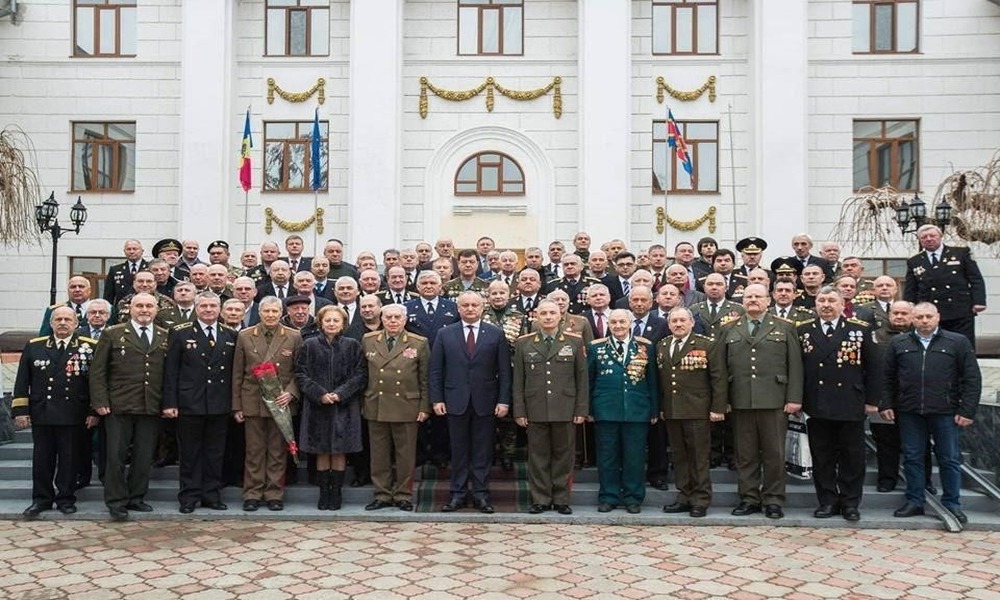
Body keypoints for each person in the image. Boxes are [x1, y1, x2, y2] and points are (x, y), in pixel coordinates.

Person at [882, 302, 981, 525]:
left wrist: (967, 409)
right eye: (919, 317)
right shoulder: (899, 342)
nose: (924, 321)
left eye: (928, 316)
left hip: (946, 411)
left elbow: (972, 378)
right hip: (910, 410)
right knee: (913, 457)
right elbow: (888, 377)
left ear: (938, 317)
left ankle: (952, 503)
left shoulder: (957, 342)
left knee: (949, 459)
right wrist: (886, 404)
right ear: (912, 320)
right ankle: (915, 500)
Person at [797, 287, 881, 522]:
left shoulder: (859, 330)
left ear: (842, 304)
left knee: (852, 457)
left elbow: (874, 368)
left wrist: (873, 401)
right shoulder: (803, 331)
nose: (826, 304)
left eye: (831, 300)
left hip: (850, 403)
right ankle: (827, 501)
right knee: (822, 457)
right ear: (815, 304)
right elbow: (797, 369)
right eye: (821, 300)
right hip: (816, 402)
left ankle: (850, 502)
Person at [719, 284, 802, 520]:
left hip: (775, 400)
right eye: (748, 296)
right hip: (741, 400)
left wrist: (794, 398)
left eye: (758, 296)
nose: (752, 300)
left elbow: (795, 365)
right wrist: (723, 399)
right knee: (745, 454)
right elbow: (721, 368)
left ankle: (774, 500)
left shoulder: (785, 327)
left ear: (769, 300)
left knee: (774, 454)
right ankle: (749, 498)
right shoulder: (729, 328)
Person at [429, 291, 512, 514]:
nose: (470, 309)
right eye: (465, 305)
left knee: (482, 452)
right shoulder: (445, 334)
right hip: (455, 401)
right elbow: (436, 370)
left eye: (475, 305)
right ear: (458, 308)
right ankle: (457, 495)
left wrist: (504, 400)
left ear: (482, 307)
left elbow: (504, 371)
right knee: (458, 451)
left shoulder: (495, 334)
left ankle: (481, 495)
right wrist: (436, 398)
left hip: (486, 401)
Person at [89, 292, 169, 521]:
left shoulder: (164, 335)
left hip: (150, 404)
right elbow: (98, 372)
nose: (144, 310)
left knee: (144, 457)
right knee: (115, 456)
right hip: (118, 406)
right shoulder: (113, 334)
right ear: (130, 309)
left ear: (156, 310)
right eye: (140, 306)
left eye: (149, 306)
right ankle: (116, 501)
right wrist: (100, 402)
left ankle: (136, 497)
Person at [14, 307, 97, 518]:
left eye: (67, 319)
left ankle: (66, 499)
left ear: (76, 323)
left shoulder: (90, 347)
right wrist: (21, 411)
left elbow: (96, 383)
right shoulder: (35, 346)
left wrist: (93, 411)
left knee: (69, 460)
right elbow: (22, 381)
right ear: (51, 323)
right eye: (58, 319)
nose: (62, 323)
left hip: (74, 413)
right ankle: (41, 499)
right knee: (42, 459)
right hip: (43, 412)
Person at [162, 291, 237, 514]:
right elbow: (171, 372)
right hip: (189, 403)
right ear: (196, 308)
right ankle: (189, 496)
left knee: (215, 453)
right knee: (190, 453)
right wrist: (170, 403)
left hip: (219, 403)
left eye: (213, 306)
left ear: (220, 309)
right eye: (203, 306)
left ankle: (211, 495)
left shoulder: (230, 334)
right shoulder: (180, 333)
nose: (208, 310)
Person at [513, 299, 589, 515]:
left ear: (560, 316)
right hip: (535, 408)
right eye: (543, 313)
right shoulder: (524, 343)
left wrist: (581, 410)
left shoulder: (574, 342)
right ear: (536, 316)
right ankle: (541, 499)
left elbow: (581, 379)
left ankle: (561, 499)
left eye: (552, 313)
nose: (547, 317)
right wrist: (519, 410)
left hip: (565, 408)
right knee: (538, 457)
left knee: (564, 456)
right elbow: (518, 379)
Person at [294, 305, 368, 510]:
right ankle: (323, 491)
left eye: (336, 320)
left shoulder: (352, 345)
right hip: (317, 406)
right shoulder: (309, 345)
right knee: (321, 450)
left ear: (343, 323)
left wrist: (340, 394)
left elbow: (360, 375)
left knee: (339, 449)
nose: (332, 324)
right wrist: (319, 394)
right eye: (328, 320)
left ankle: (336, 492)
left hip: (344, 406)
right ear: (320, 322)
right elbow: (300, 374)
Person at [232, 296, 302, 512]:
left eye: (274, 311)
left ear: (281, 313)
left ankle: (274, 493)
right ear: (259, 313)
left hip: (280, 402)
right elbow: (237, 373)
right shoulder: (245, 336)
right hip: (252, 400)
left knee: (277, 451)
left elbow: (299, 371)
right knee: (254, 451)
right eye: (266, 311)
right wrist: (237, 406)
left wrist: (291, 393)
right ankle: (252, 493)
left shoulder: (293, 336)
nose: (270, 315)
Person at [656, 306, 727, 518]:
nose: (678, 324)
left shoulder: (706, 344)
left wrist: (717, 408)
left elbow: (718, 378)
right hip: (672, 410)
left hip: (698, 410)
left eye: (682, 320)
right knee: (679, 456)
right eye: (674, 321)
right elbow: (662, 382)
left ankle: (701, 499)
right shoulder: (663, 345)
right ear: (668, 324)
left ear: (692, 323)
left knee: (698, 457)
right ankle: (684, 495)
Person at [588, 308, 658, 514]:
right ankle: (608, 496)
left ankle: (633, 497)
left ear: (630, 323)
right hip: (605, 410)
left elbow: (652, 380)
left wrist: (654, 409)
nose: (618, 326)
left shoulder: (645, 346)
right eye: (614, 322)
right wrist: (589, 409)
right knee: (607, 456)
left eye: (622, 322)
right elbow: (589, 381)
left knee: (634, 457)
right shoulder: (596, 348)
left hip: (637, 410)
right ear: (609, 325)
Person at [361, 304, 430, 511]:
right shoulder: (369, 340)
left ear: (405, 319)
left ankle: (403, 495)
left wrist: (424, 407)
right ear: (381, 319)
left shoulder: (419, 343)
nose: (392, 321)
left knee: (405, 455)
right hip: (377, 404)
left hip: (406, 405)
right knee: (379, 454)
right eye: (388, 317)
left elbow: (425, 379)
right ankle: (381, 494)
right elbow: (362, 374)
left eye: (397, 317)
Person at [902, 224, 986, 348]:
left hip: (959, 309)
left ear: (940, 236)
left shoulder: (960, 253)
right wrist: (909, 308)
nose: (929, 239)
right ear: (920, 240)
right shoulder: (914, 261)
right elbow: (911, 287)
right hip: (930, 312)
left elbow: (975, 278)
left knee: (963, 346)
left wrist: (979, 301)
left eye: (932, 236)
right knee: (934, 347)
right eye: (924, 237)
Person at [103, 239, 148, 306]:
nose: (132, 252)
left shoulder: (150, 267)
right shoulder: (115, 270)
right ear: (124, 251)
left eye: (135, 249)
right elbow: (108, 295)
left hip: (144, 307)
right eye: (128, 249)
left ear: (142, 251)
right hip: (121, 310)